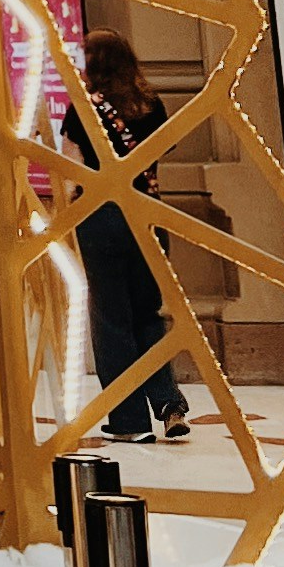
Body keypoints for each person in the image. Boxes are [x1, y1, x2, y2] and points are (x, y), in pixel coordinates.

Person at [78, 31, 192, 442]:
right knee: (147, 315)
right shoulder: (153, 105)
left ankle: (128, 422)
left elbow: (73, 164)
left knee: (112, 322)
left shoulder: (85, 109)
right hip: (149, 215)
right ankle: (168, 403)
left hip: (101, 218)